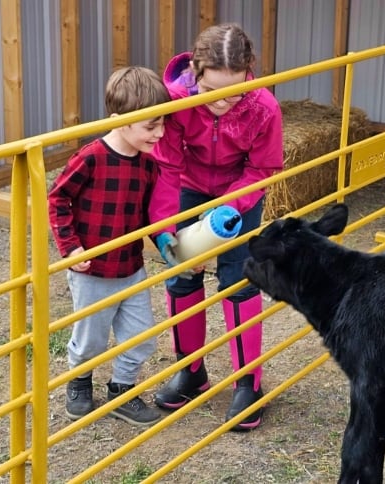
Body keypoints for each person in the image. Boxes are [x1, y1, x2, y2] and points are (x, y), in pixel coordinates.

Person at [149, 23, 284, 431]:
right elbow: (167, 168)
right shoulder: (172, 105)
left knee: (240, 280)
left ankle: (249, 383)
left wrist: (226, 210)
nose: (223, 103)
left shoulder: (263, 107)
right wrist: (166, 232)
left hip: (239, 192)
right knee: (182, 275)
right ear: (194, 72)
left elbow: (263, 166)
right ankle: (192, 371)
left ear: (250, 72)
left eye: (235, 91)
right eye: (212, 93)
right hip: (187, 188)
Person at [48, 66, 171, 426]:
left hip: (131, 268)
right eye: (151, 126)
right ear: (120, 121)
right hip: (93, 272)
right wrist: (71, 249)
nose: (159, 133)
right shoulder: (91, 157)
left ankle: (122, 391)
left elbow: (150, 215)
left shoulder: (149, 165)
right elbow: (57, 200)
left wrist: (169, 246)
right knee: (90, 340)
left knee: (142, 336)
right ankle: (80, 382)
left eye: (162, 123)